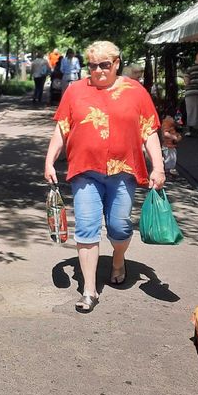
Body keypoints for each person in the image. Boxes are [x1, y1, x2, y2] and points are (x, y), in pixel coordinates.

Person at [44, 41, 164, 313]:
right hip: (85, 171)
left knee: (119, 227)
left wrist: (158, 166)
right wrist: (49, 161)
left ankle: (118, 258)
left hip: (123, 171)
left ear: (117, 63)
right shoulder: (75, 91)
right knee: (86, 227)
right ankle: (89, 289)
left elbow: (149, 131)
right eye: (93, 65)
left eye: (104, 65)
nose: (98, 71)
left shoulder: (135, 91)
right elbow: (62, 129)